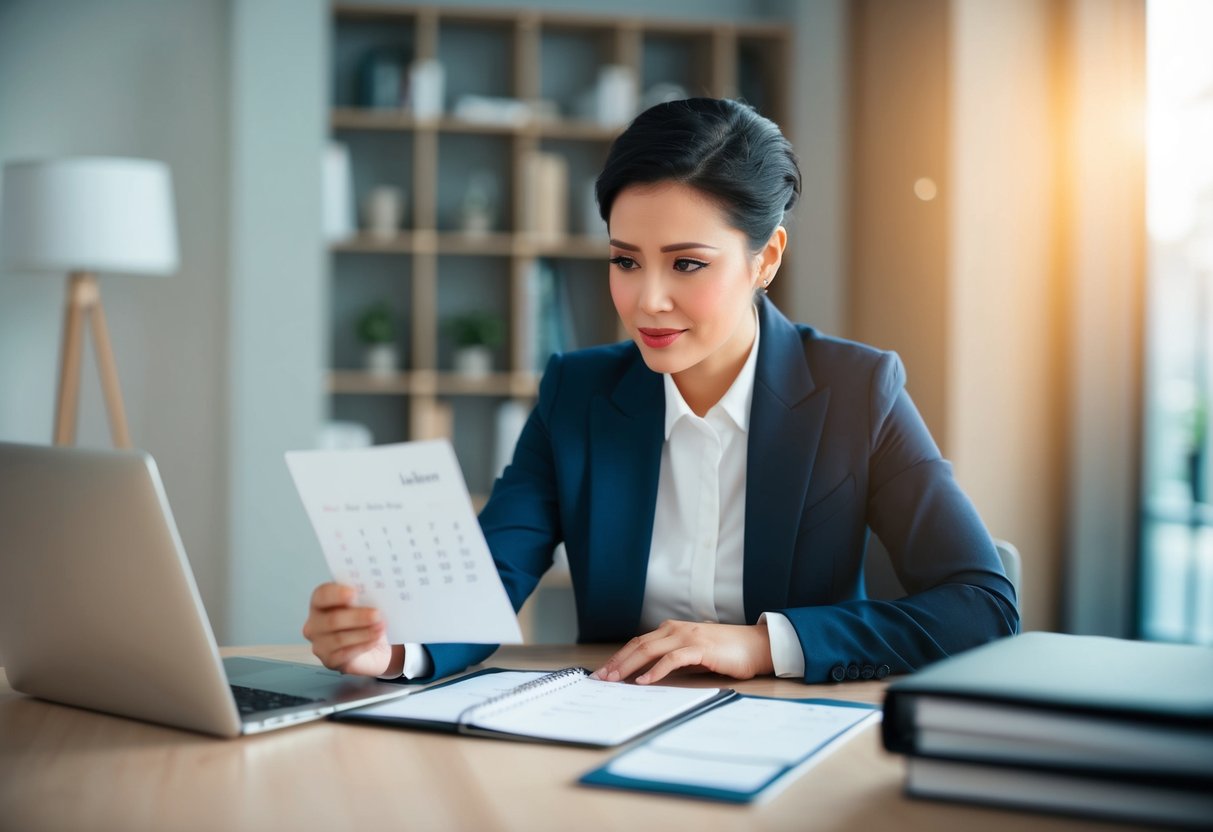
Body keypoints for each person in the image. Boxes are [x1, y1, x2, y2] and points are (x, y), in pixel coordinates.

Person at [303, 98, 1019, 686]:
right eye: (625, 260)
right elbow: (491, 575)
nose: (647, 301)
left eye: (686, 264)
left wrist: (761, 645)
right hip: (612, 718)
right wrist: (392, 650)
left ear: (764, 258)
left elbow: (981, 604)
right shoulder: (576, 394)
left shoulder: (856, 390)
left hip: (797, 729)